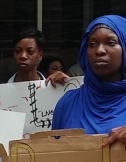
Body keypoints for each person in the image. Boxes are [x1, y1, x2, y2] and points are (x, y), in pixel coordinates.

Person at [52, 15, 126, 146]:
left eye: (111, 43)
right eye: (92, 44)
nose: (99, 50)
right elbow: (52, 158)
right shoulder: (67, 103)